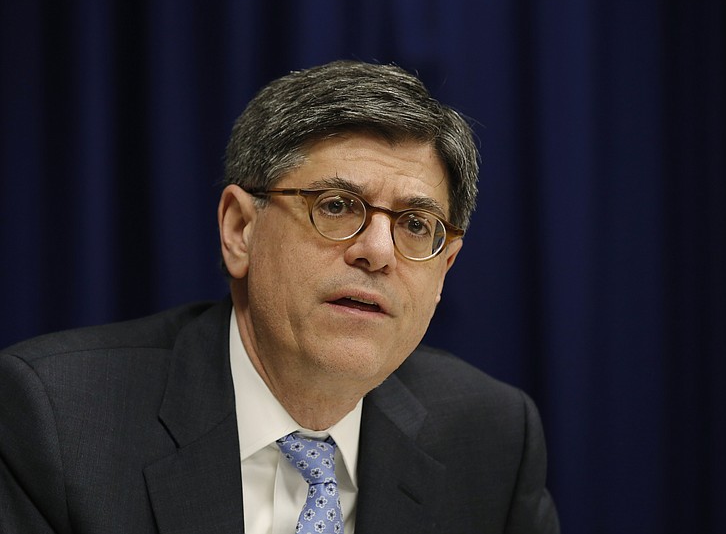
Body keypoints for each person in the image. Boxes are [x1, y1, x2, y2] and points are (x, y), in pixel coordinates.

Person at [0, 60, 559, 534]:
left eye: (416, 223)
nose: (378, 252)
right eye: (337, 205)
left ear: (446, 268)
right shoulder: (55, 420)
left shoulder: (493, 436)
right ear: (240, 230)